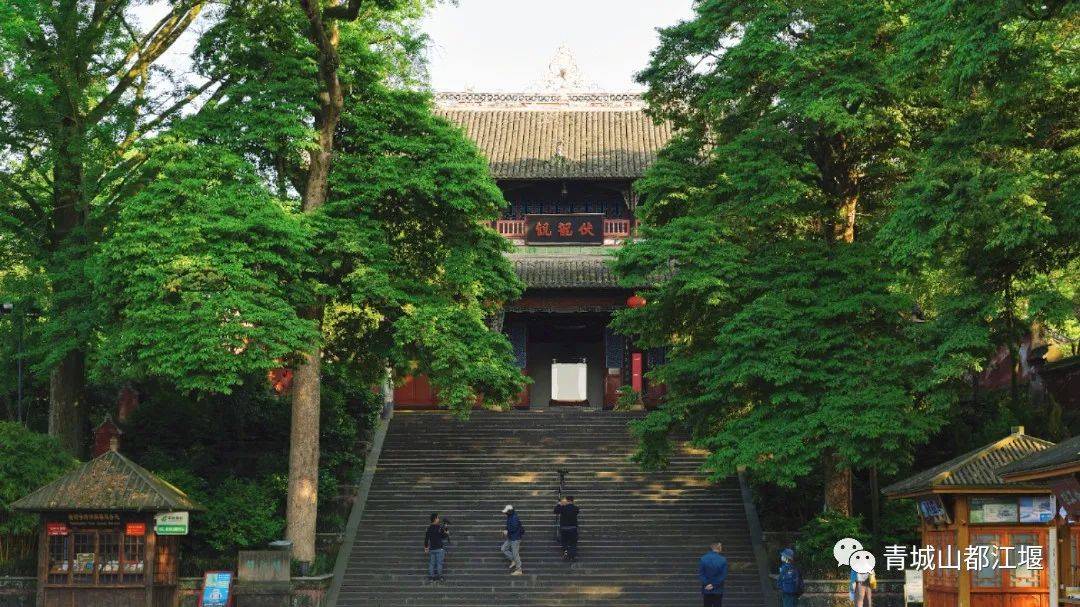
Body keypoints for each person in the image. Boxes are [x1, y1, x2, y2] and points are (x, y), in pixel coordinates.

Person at [699, 541, 728, 607]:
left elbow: (701, 574)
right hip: (718, 589)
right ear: (718, 547)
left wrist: (707, 584)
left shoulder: (703, 558)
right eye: (721, 546)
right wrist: (713, 585)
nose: (721, 548)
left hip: (707, 588)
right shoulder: (723, 559)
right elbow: (723, 575)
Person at [423, 513, 449, 582]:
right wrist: (446, 530)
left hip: (432, 549)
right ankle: (440, 577)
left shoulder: (429, 528)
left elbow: (426, 539)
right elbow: (444, 536)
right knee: (439, 563)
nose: (438, 519)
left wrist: (426, 547)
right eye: (437, 518)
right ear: (435, 519)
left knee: (431, 564)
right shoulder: (439, 528)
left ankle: (431, 577)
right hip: (439, 548)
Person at [501, 504, 525, 575]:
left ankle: (519, 570)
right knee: (503, 549)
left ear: (510, 511)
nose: (505, 513)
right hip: (511, 537)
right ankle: (514, 560)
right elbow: (508, 525)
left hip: (515, 538)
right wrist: (506, 529)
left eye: (506, 512)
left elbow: (514, 528)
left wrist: (507, 531)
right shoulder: (510, 516)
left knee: (515, 554)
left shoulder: (514, 517)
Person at [553, 496, 580, 561]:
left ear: (567, 500)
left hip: (564, 528)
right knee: (573, 543)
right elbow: (576, 512)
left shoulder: (563, 508)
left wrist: (559, 504)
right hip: (573, 528)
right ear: (572, 501)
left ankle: (566, 553)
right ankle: (572, 556)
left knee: (564, 541)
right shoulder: (575, 508)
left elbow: (555, 511)